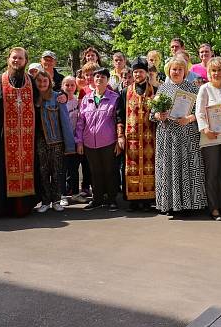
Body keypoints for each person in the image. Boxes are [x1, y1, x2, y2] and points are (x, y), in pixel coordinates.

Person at [0, 47, 41, 218]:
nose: (16, 61)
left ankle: (23, 207)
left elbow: (41, 108)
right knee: (0, 174)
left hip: (27, 142)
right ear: (8, 59)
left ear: (25, 61)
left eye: (20, 58)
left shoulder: (32, 83)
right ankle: (0, 208)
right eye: (14, 58)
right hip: (2, 142)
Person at [153, 55, 206, 214]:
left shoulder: (193, 88)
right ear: (169, 71)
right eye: (173, 69)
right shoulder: (162, 88)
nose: (176, 72)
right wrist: (158, 115)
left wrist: (190, 118)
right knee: (169, 168)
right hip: (167, 135)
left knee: (187, 168)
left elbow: (201, 111)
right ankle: (170, 204)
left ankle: (189, 205)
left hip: (187, 134)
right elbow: (152, 112)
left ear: (185, 71)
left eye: (180, 69)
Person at [75, 67, 122, 211]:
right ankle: (97, 199)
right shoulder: (86, 99)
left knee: (110, 171)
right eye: (97, 77)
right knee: (95, 172)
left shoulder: (115, 98)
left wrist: (119, 140)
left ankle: (112, 199)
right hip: (89, 143)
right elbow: (80, 121)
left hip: (109, 142)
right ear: (93, 80)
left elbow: (118, 120)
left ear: (107, 80)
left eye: (102, 77)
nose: (99, 79)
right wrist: (79, 141)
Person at [196, 56, 221, 220]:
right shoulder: (204, 89)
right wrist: (205, 129)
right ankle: (213, 208)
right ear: (209, 72)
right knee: (212, 173)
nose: (217, 73)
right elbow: (199, 112)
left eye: (220, 70)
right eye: (213, 70)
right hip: (209, 137)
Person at [116, 58, 157, 212]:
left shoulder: (155, 91)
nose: (138, 74)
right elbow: (119, 115)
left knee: (149, 168)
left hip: (150, 138)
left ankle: (147, 201)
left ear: (146, 73)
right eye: (135, 72)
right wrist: (120, 135)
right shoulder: (125, 92)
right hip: (131, 137)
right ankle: (132, 201)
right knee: (130, 167)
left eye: (141, 71)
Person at [33, 70, 75, 213]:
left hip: (56, 140)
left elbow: (65, 121)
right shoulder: (32, 98)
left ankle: (56, 200)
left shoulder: (57, 97)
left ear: (49, 82)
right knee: (43, 172)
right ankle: (45, 201)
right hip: (39, 141)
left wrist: (69, 145)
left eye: (45, 81)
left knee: (57, 172)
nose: (42, 84)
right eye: (39, 81)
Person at [61, 75, 86, 202]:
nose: (69, 87)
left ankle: (75, 193)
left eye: (72, 85)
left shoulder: (78, 102)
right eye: (67, 85)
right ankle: (62, 195)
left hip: (75, 140)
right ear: (62, 86)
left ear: (75, 87)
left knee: (74, 169)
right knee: (62, 169)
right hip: (62, 141)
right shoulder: (59, 102)